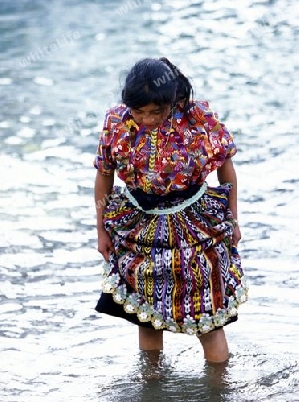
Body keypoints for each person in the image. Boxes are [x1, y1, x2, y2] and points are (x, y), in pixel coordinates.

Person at [93, 57, 248, 364]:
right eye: (139, 111)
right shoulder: (116, 123)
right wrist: (101, 231)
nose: (147, 119)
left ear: (173, 100)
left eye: (156, 111)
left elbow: (225, 170)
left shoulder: (198, 118)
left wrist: (233, 220)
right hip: (138, 225)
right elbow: (104, 176)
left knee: (209, 317)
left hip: (195, 225)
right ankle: (151, 392)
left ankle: (219, 392)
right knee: (146, 316)